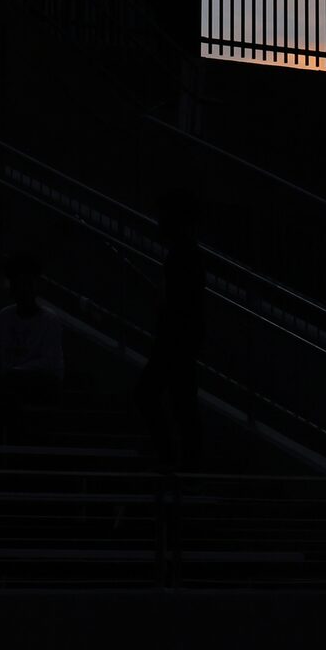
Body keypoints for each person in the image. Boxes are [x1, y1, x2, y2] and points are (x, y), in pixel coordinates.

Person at [134, 190, 208, 472]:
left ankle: (173, 461)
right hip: (181, 340)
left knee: (155, 396)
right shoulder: (187, 253)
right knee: (181, 402)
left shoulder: (183, 255)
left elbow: (181, 305)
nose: (158, 224)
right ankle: (182, 464)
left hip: (175, 340)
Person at [0, 259, 65, 439]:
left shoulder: (49, 320)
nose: (22, 290)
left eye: (26, 285)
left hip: (43, 381)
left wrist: (13, 372)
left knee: (4, 390)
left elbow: (48, 362)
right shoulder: (4, 316)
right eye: (18, 285)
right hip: (12, 378)